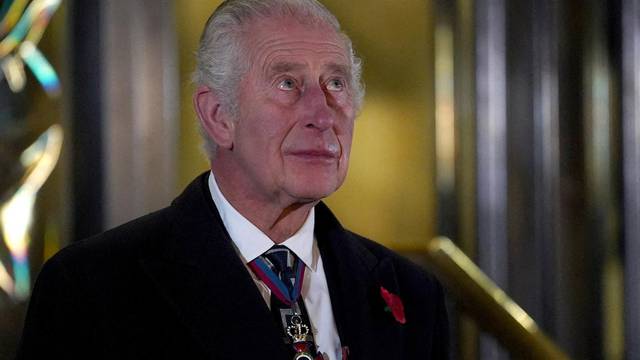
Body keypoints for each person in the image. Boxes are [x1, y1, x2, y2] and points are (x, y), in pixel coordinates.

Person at [17, 0, 449, 359]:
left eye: (336, 82)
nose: (323, 114)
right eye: (287, 84)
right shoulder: (92, 288)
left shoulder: (410, 293)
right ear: (219, 116)